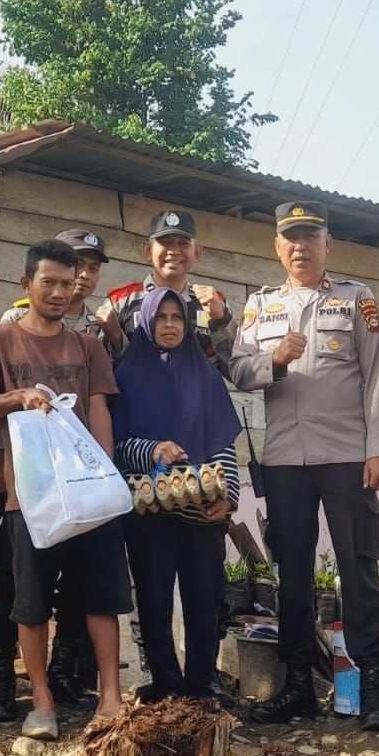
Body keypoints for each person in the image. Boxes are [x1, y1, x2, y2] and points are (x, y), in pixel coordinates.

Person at [229, 201, 379, 732]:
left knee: (358, 569)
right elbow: (237, 369)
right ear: (277, 247)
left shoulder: (356, 299)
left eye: (311, 237)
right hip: (285, 459)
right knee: (293, 575)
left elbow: (376, 376)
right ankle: (298, 683)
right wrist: (272, 360)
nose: (300, 246)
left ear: (329, 245)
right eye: (290, 238)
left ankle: (373, 684)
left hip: (348, 455)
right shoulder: (260, 306)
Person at [0, 238, 131, 741]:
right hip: (30, 499)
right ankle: (40, 702)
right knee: (31, 603)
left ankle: (111, 696)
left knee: (100, 599)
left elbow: (99, 407)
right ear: (26, 284)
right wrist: (16, 396)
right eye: (50, 282)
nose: (60, 291)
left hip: (88, 493)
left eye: (68, 282)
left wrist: (105, 474)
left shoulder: (87, 347)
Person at [113, 288, 242, 703]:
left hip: (204, 508)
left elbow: (222, 438)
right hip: (149, 508)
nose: (170, 325)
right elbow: (114, 442)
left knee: (205, 595)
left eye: (178, 318)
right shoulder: (127, 375)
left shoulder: (203, 375)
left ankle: (201, 683)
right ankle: (166, 682)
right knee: (152, 597)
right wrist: (152, 449)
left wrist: (229, 498)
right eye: (161, 317)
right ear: (146, 323)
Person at [105, 209, 236, 375]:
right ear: (147, 251)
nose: (174, 251)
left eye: (183, 243)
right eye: (165, 242)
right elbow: (101, 372)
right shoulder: (120, 301)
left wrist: (221, 320)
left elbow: (235, 370)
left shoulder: (214, 303)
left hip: (196, 400)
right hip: (135, 400)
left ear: (197, 252)